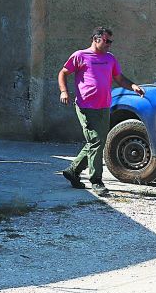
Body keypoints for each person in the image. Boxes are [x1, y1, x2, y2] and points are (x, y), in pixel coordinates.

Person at [58, 26, 144, 195]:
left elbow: (119, 78)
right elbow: (63, 73)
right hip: (85, 106)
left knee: (98, 142)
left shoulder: (110, 59)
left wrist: (133, 86)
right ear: (96, 39)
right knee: (96, 141)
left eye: (110, 41)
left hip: (104, 106)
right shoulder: (80, 56)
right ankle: (96, 181)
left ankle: (73, 170)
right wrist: (64, 91)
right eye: (106, 41)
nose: (109, 44)